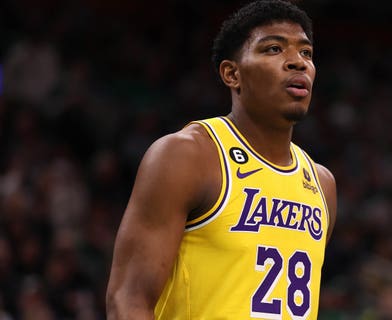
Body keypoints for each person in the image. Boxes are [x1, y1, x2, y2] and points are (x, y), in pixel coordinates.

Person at [105, 0, 337, 318]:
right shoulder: (188, 155)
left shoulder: (322, 184)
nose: (297, 62)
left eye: (306, 53)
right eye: (273, 49)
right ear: (232, 74)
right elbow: (127, 299)